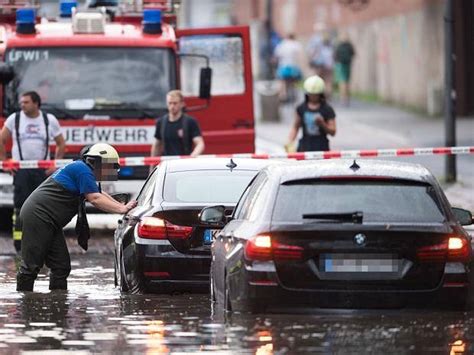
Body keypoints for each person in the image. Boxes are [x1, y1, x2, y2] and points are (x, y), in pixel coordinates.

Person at [16, 143, 138, 292]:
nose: (112, 171)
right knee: (31, 266)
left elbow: (100, 194)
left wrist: (124, 207)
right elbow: (95, 198)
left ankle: (57, 306)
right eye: (110, 167)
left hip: (49, 221)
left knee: (61, 267)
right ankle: (23, 303)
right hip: (38, 216)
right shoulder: (82, 170)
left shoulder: (83, 170)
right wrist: (122, 209)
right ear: (96, 162)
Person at [0, 91, 66, 253]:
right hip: (21, 170)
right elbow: (1, 140)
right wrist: (6, 162)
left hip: (41, 171)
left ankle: (43, 242)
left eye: (26, 102)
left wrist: (55, 164)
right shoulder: (14, 119)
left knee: (43, 206)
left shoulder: (48, 120)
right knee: (20, 207)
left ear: (36, 103)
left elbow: (61, 143)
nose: (22, 105)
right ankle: (19, 243)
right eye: (21, 102)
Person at [285, 75, 336, 152]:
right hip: (304, 147)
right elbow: (296, 127)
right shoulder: (301, 108)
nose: (313, 97)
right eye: (311, 94)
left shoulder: (327, 109)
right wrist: (290, 142)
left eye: (316, 95)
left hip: (321, 148)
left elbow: (333, 131)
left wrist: (323, 124)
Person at [150, 90, 205, 159]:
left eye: (175, 103)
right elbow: (156, 146)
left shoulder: (190, 122)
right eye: (170, 103)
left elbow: (200, 143)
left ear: (182, 104)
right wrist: (152, 166)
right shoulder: (161, 122)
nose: (172, 106)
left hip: (184, 163)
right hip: (167, 164)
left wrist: (193, 156)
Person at [273, 33, 304, 102]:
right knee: (294, 81)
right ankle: (295, 95)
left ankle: (282, 96)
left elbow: (276, 56)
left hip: (283, 66)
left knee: (282, 81)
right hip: (293, 66)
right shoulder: (296, 44)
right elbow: (300, 56)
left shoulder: (282, 44)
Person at [307, 23, 334, 98]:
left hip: (318, 62)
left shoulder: (315, 38)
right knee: (328, 80)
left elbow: (311, 51)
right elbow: (333, 50)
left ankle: (317, 96)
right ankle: (328, 95)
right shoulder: (329, 38)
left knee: (316, 79)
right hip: (329, 62)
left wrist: (310, 59)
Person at [334, 33, 355, 106]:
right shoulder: (349, 45)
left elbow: (335, 55)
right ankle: (347, 97)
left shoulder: (339, 46)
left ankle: (343, 97)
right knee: (347, 81)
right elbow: (353, 54)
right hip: (348, 65)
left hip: (341, 65)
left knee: (342, 81)